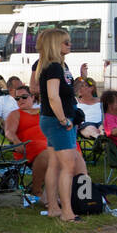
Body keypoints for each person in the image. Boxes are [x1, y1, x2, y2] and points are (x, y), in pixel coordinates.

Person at [32, 27, 87, 222]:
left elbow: (65, 93)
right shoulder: (54, 66)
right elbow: (53, 97)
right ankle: (67, 212)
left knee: (55, 165)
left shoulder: (56, 66)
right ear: (55, 45)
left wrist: (81, 77)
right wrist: (64, 120)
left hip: (54, 119)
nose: (69, 45)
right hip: (58, 121)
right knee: (68, 167)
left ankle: (54, 208)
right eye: (66, 42)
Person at [4, 87, 50, 198]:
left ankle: (80, 188)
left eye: (24, 97)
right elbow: (9, 132)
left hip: (48, 143)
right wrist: (16, 141)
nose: (20, 100)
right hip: (27, 147)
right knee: (45, 150)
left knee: (71, 147)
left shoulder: (42, 111)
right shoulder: (15, 114)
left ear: (32, 97)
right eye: (17, 98)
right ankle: (37, 190)